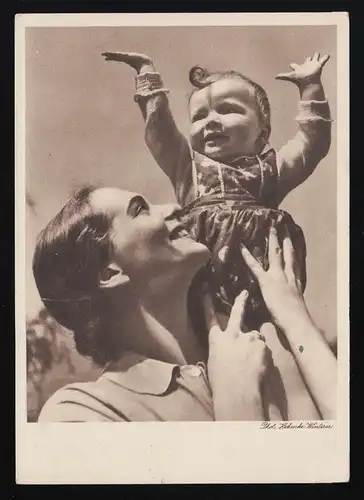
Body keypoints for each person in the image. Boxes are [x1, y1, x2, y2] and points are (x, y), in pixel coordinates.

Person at [34, 186, 336, 422]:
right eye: (140, 210)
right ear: (110, 273)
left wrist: (295, 318)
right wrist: (239, 405)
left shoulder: (263, 345)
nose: (175, 207)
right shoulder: (83, 411)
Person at [101, 51, 332, 329]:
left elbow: (312, 141)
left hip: (265, 292)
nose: (210, 120)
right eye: (199, 116)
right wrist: (146, 72)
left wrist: (310, 87)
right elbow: (159, 129)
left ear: (263, 131)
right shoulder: (188, 168)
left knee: (273, 343)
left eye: (227, 109)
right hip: (203, 293)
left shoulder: (273, 170)